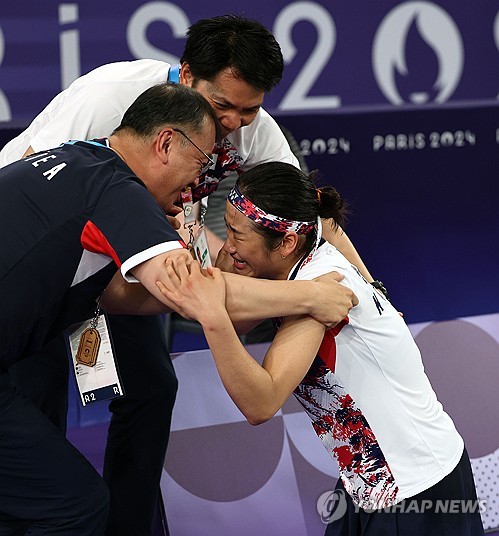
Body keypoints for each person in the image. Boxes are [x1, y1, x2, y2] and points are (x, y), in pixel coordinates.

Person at [0, 15, 369, 535]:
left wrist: (368, 288)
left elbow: (309, 211)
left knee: (151, 386)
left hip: (123, 266)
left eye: (251, 110)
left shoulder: (246, 131)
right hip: (50, 266)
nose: (236, 125)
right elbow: (47, 182)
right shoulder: (111, 98)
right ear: (187, 77)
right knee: (36, 417)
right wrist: (308, 296)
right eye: (223, 108)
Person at [156, 162, 485, 536]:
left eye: (235, 233)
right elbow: (241, 313)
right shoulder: (303, 265)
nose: (227, 245)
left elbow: (260, 403)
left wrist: (210, 312)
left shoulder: (321, 292)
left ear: (286, 242)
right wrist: (214, 252)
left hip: (415, 490)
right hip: (367, 479)